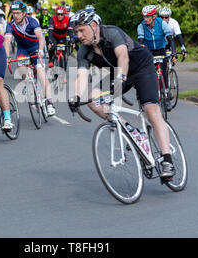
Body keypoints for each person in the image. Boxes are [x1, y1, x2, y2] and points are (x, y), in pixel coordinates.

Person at [68, 9, 175, 178]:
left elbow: (123, 57)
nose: (79, 35)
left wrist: (121, 78)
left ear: (94, 25)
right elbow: (81, 75)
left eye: (82, 30)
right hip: (117, 76)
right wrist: (75, 97)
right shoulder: (84, 51)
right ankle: (131, 131)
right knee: (91, 98)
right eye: (76, 32)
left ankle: (167, 159)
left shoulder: (111, 33)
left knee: (151, 109)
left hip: (141, 68)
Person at [3, 1, 56, 116]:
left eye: (18, 13)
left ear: (24, 13)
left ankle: (50, 103)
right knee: (21, 67)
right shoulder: (10, 25)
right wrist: (6, 56)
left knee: (41, 72)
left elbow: (41, 37)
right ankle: (29, 84)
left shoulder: (32, 22)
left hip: (36, 48)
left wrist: (41, 50)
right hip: (23, 49)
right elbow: (7, 41)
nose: (15, 15)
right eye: (13, 13)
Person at [137, 5, 177, 111]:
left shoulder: (162, 23)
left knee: (163, 74)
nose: (145, 19)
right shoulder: (141, 26)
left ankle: (166, 99)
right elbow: (140, 41)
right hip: (148, 51)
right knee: (147, 75)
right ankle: (145, 98)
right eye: (144, 17)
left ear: (154, 16)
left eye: (148, 17)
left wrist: (173, 52)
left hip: (160, 50)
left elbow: (170, 38)